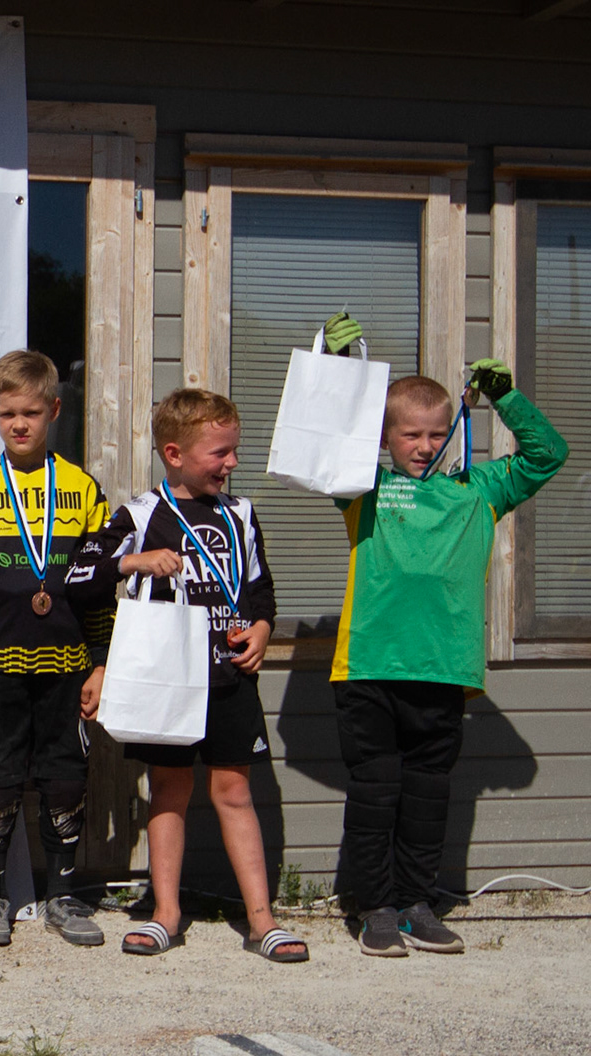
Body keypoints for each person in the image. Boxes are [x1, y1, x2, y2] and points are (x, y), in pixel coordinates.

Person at [316, 315, 567, 957]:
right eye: (410, 434)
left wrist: (506, 397)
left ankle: (414, 903)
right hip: (370, 668)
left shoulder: (478, 490)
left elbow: (548, 455)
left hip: (444, 670)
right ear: (385, 437)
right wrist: (341, 372)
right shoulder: (363, 485)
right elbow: (321, 448)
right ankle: (374, 907)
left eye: (436, 433)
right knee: (375, 796)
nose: (425, 446)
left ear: (454, 429)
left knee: (427, 798)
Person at [68, 389, 307, 962]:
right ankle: (166, 913)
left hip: (230, 678)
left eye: (234, 451)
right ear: (174, 453)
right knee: (169, 792)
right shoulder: (141, 513)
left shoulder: (240, 513)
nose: (231, 463)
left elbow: (260, 587)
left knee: (235, 792)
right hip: (169, 682)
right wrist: (133, 561)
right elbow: (77, 575)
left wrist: (263, 628)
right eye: (219, 453)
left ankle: (262, 920)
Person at [0, 350, 112, 947]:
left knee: (66, 773)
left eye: (31, 413)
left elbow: (99, 589)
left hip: (68, 666)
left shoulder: (83, 489)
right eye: (8, 412)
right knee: (0, 775)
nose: (20, 424)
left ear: (54, 411)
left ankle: (63, 893)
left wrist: (100, 662)